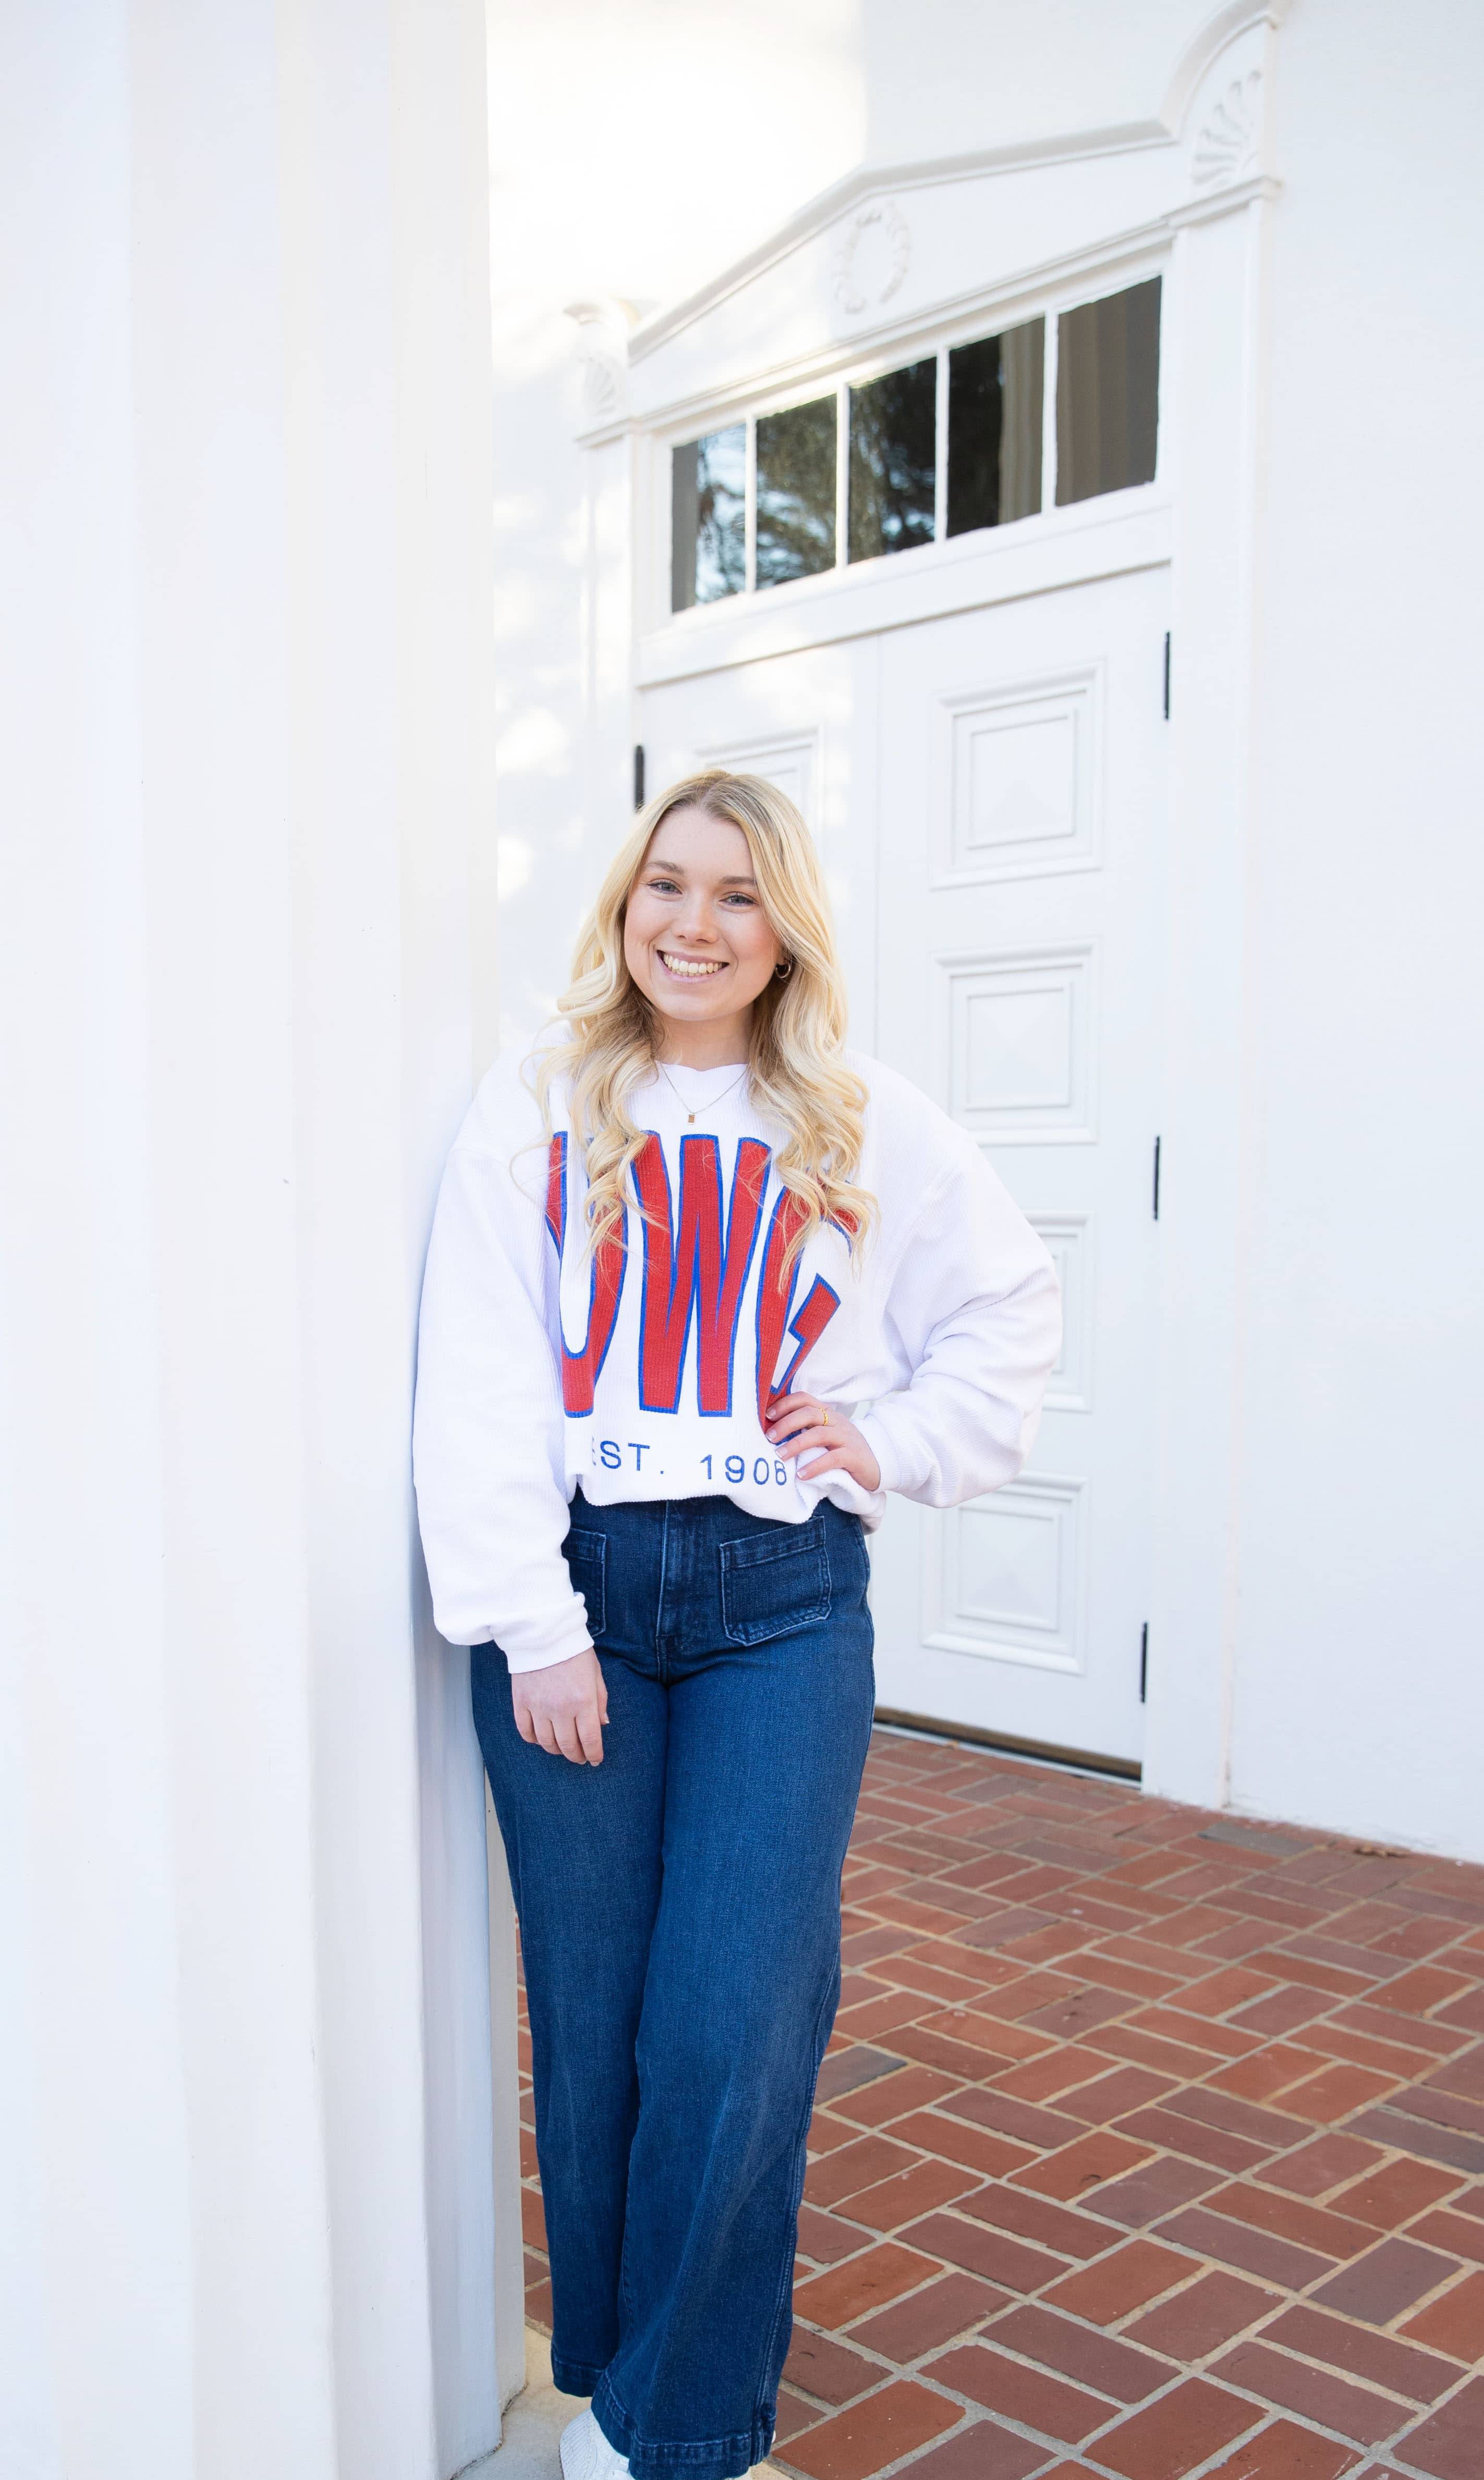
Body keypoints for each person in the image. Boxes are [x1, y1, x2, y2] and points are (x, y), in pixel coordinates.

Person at [414, 771, 1060, 2480]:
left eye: (738, 896)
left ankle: (676, 2436)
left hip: (782, 1610)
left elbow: (1009, 1307)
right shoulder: (538, 1106)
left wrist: (898, 1441)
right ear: (625, 906)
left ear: (785, 933)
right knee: (600, 2007)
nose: (693, 924)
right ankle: (623, 2389)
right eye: (666, 886)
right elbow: (476, 1381)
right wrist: (528, 1622)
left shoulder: (860, 1118)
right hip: (581, 1607)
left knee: (737, 2017)